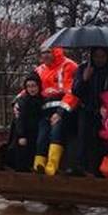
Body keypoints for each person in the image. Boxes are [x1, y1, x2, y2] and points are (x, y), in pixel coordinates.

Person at [72, 47, 108, 175]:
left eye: (102, 56)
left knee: (101, 144)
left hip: (106, 114)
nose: (99, 59)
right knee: (83, 140)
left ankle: (99, 172)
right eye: (96, 56)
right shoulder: (83, 69)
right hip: (86, 110)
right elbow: (75, 91)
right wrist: (84, 79)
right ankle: (80, 168)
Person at [33, 46, 79, 175]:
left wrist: (60, 112)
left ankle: (52, 167)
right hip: (45, 110)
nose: (45, 55)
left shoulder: (69, 66)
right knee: (41, 137)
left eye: (48, 52)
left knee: (56, 133)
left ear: (55, 52)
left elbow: (72, 92)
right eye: (43, 53)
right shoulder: (39, 70)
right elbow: (30, 87)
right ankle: (38, 166)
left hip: (63, 110)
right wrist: (18, 100)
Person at [5, 72, 43, 172]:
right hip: (23, 134)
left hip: (36, 132)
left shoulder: (42, 100)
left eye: (34, 86)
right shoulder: (22, 101)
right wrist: (21, 135)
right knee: (21, 154)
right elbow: (19, 119)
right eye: (29, 86)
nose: (32, 89)